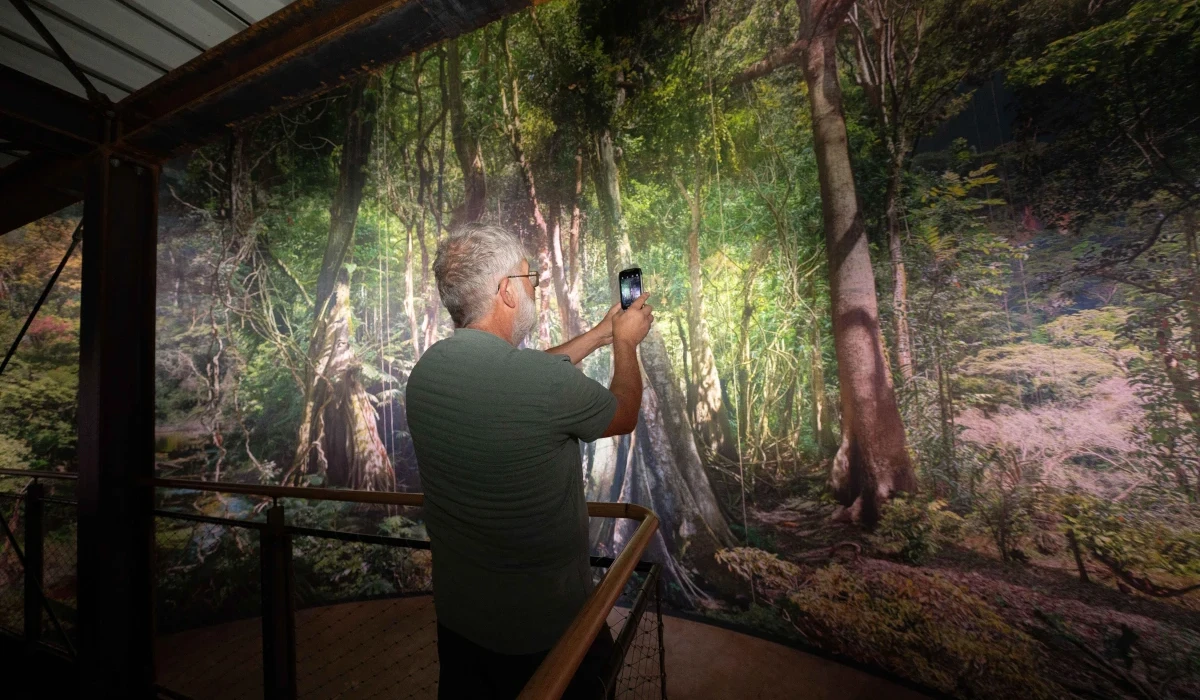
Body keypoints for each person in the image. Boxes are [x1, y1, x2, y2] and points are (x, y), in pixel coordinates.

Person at [405, 222, 653, 699]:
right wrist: (625, 343)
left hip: (460, 621)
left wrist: (599, 335)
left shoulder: (429, 370)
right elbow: (622, 414)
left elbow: (530, 375)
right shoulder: (540, 383)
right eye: (529, 278)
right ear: (506, 291)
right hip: (547, 630)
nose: (535, 287)